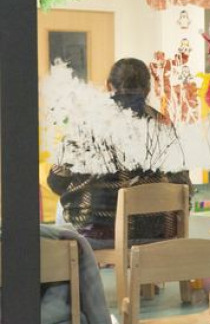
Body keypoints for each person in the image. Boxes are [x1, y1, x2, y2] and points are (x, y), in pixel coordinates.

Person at [48, 58, 190, 249]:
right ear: (148, 90)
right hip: (160, 232)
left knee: (63, 203)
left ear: (108, 86)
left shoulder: (86, 124)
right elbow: (184, 183)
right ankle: (148, 275)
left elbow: (57, 181)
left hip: (102, 234)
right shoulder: (163, 124)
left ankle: (81, 272)